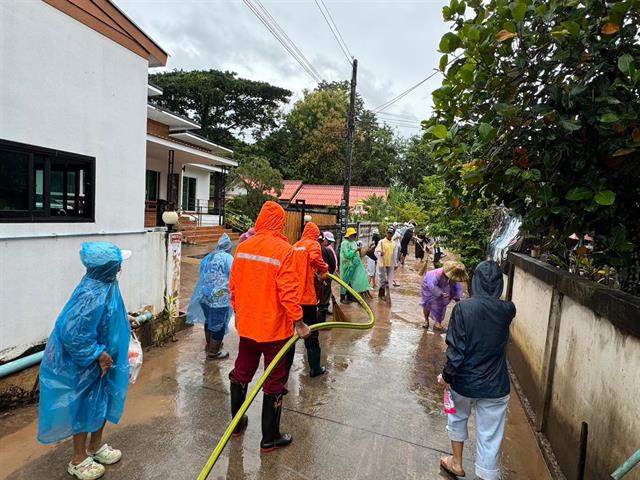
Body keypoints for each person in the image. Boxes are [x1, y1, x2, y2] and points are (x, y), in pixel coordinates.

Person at [38, 242, 139, 480]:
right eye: (118, 263)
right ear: (109, 267)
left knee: (102, 401)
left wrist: (124, 319)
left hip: (106, 361)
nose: (120, 266)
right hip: (86, 365)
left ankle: (95, 447)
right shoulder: (91, 293)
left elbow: (108, 314)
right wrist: (98, 355)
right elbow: (74, 333)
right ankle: (78, 458)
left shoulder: (108, 285)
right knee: (85, 406)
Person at [228, 201, 311, 452]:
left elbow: (233, 287)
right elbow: (288, 291)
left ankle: (237, 424)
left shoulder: (243, 248)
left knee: (241, 373)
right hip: (275, 331)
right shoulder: (285, 250)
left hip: (248, 328)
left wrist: (242, 312)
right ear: (280, 223)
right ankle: (270, 437)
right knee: (274, 381)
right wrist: (299, 321)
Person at [438, 260, 516, 480]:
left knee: (456, 417)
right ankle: (486, 475)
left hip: (463, 381)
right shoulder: (508, 310)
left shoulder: (463, 308)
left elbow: (457, 349)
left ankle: (456, 463)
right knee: (490, 434)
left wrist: (446, 376)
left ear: (475, 282)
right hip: (496, 384)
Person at [187, 233, 234, 360]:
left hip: (204, 295)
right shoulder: (228, 258)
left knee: (208, 321)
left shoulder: (208, 257)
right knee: (219, 324)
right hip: (220, 298)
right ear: (228, 247)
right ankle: (214, 352)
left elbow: (201, 273)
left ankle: (210, 344)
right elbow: (234, 274)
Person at [292, 222, 329, 377]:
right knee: (311, 332)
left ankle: (282, 370)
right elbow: (315, 258)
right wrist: (324, 269)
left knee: (288, 335)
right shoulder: (313, 244)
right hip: (306, 296)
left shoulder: (296, 245)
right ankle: (315, 368)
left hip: (292, 296)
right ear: (315, 234)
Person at [421, 261, 467, 331]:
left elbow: (455, 286)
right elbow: (432, 285)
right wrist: (440, 293)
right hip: (428, 285)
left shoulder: (452, 276)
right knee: (427, 303)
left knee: (442, 303)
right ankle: (426, 320)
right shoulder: (438, 274)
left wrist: (456, 296)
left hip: (441, 285)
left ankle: (437, 323)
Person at [339, 227, 371, 303]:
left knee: (351, 281)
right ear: (348, 235)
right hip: (346, 266)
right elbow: (347, 255)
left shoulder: (353, 242)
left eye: (354, 235)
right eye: (352, 235)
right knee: (344, 281)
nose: (354, 237)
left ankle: (350, 296)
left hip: (353, 266)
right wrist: (356, 250)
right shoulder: (344, 243)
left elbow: (357, 254)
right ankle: (342, 298)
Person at [318, 232, 337, 321]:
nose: (329, 243)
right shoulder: (326, 250)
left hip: (315, 280)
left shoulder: (309, 249)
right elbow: (332, 265)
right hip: (325, 278)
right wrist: (329, 276)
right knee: (324, 301)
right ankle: (321, 323)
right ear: (323, 239)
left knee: (314, 301)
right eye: (328, 241)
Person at [375, 227, 397, 299]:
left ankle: (387, 293)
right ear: (386, 233)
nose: (389, 235)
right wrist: (380, 253)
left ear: (393, 234)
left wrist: (395, 263)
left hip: (390, 263)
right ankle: (381, 294)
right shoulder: (381, 242)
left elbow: (394, 254)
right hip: (382, 263)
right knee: (382, 279)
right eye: (388, 233)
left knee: (389, 279)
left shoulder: (394, 243)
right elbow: (376, 252)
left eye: (391, 233)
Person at [321, 231, 339, 313]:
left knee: (326, 292)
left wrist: (333, 271)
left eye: (331, 242)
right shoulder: (321, 249)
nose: (329, 243)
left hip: (328, 275)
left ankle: (324, 308)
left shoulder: (328, 249)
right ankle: (322, 310)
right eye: (328, 241)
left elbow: (333, 262)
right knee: (323, 294)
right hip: (322, 276)